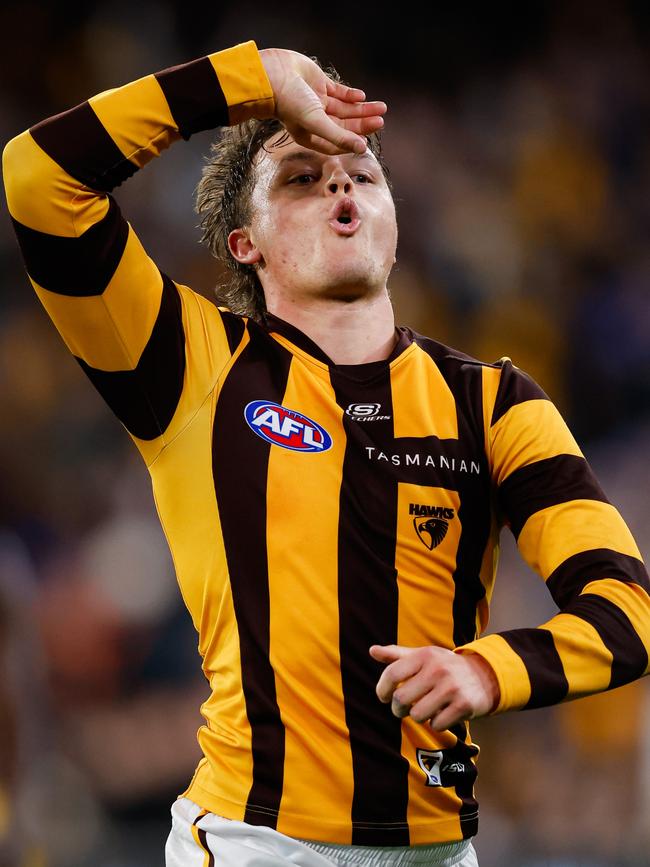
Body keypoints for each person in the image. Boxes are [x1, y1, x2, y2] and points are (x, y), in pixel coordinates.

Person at [4, 39, 650, 867]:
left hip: (442, 851)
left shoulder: (495, 403)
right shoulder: (192, 366)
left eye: (361, 172)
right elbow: (38, 180)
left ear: (391, 223)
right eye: (300, 178)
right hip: (253, 844)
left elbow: (627, 609)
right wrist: (248, 82)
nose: (339, 180)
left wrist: (490, 670)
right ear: (247, 244)